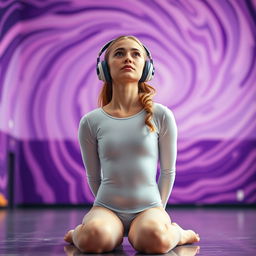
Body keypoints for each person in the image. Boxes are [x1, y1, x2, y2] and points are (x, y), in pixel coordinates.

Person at [64, 35, 200, 254]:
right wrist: (107, 212)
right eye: (119, 53)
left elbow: (168, 171)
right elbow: (93, 176)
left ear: (146, 68)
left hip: (149, 208)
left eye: (136, 54)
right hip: (106, 208)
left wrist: (158, 213)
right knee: (93, 240)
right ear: (105, 69)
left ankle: (178, 233)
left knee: (155, 240)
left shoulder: (161, 115)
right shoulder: (91, 122)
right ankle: (82, 232)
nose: (128, 58)